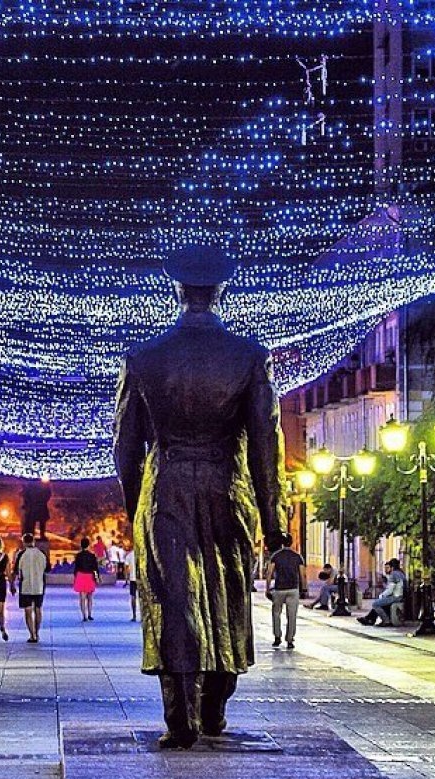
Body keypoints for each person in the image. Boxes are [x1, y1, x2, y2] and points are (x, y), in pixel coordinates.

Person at [114, 244, 286, 749]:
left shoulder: (144, 357)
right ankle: (213, 707)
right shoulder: (249, 356)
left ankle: (180, 718)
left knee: (175, 600)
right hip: (226, 488)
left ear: (177, 290)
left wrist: (136, 509)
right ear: (220, 291)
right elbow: (265, 446)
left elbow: (126, 447)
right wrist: (272, 516)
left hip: (165, 486)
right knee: (227, 593)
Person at [265, 533, 306, 650]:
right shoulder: (298, 557)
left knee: (276, 613)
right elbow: (302, 574)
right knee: (292, 615)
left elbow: (269, 573)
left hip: (279, 589)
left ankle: (277, 636)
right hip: (293, 588)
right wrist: (304, 588)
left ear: (282, 543)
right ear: (291, 543)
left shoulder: (276, 556)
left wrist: (267, 588)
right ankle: (290, 639)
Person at [14, 532, 48, 643]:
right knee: (38, 609)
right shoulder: (41, 553)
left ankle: (32, 634)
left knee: (28, 610)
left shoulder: (21, 554)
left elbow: (16, 570)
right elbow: (47, 569)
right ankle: (37, 632)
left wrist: (12, 584)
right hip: (39, 586)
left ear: (24, 542)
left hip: (26, 586)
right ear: (33, 541)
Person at [359, 558, 407, 626]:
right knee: (382, 603)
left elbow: (390, 589)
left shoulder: (394, 574)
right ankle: (370, 619)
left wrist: (382, 595)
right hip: (401, 596)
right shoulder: (401, 573)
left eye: (388, 567)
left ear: (392, 567)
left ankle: (386, 621)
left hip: (396, 596)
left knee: (375, 604)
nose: (386, 569)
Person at [72, 537, 100, 622]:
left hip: (80, 576)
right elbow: (95, 568)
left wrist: (75, 577)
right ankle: (90, 614)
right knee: (90, 597)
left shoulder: (78, 556)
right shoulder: (92, 556)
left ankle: (84, 615)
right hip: (89, 576)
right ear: (88, 545)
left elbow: (76, 568)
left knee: (82, 597)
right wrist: (97, 577)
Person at [124, 541, 138, 621]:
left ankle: (134, 615)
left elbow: (126, 568)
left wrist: (126, 579)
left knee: (133, 597)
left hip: (133, 579)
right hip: (141, 579)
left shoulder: (129, 555)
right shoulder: (142, 554)